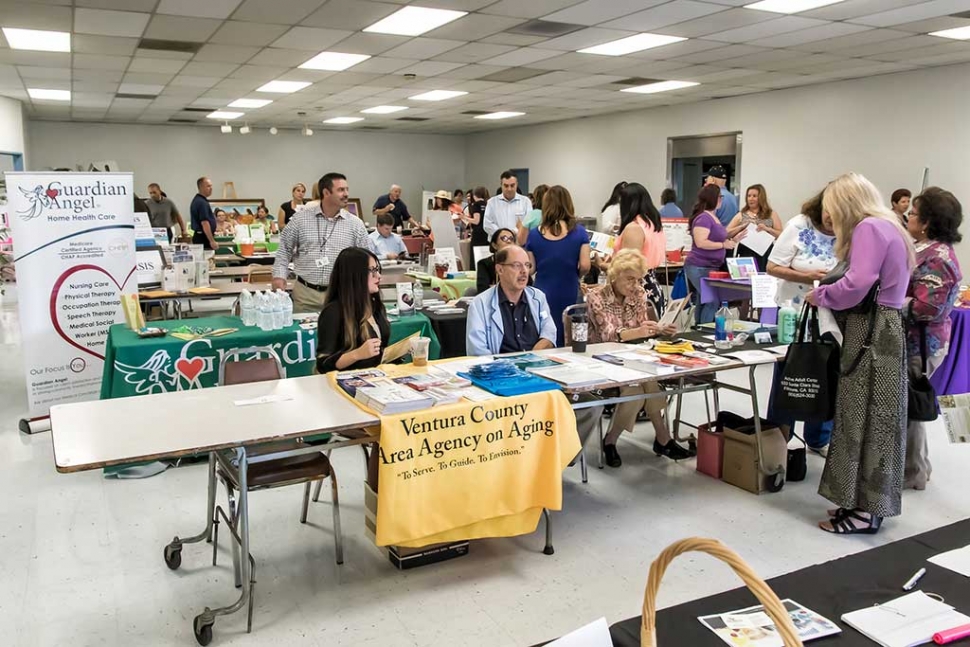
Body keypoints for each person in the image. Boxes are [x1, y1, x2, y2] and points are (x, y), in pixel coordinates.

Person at [806, 172, 915, 535]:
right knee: (880, 418)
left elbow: (857, 284)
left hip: (869, 329)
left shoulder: (868, 229)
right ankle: (868, 504)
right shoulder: (891, 226)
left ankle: (860, 509)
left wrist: (820, 294)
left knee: (858, 416)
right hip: (888, 328)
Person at [586, 249, 693, 465]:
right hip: (599, 358)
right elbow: (608, 334)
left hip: (634, 356)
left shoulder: (639, 293)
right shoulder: (596, 296)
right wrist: (640, 331)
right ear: (614, 275)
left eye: (638, 279)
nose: (634, 285)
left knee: (649, 382)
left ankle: (655, 439)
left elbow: (642, 325)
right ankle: (615, 440)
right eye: (629, 279)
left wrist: (658, 328)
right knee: (636, 389)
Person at [765, 189, 837, 454]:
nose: (834, 219)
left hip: (831, 316)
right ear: (821, 206)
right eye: (831, 211)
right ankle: (779, 437)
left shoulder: (848, 230)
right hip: (795, 314)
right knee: (791, 374)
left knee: (826, 375)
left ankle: (819, 437)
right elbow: (772, 267)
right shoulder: (798, 225)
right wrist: (809, 277)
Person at [902, 187, 963, 490]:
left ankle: (912, 472)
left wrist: (889, 301)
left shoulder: (937, 257)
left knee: (910, 407)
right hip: (916, 339)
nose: (908, 217)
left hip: (922, 342)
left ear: (926, 222)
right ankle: (918, 466)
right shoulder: (923, 248)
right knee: (908, 405)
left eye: (912, 213)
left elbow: (928, 306)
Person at [272, 172, 375, 313]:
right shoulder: (300, 219)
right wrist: (279, 277)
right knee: (304, 334)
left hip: (341, 295)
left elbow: (368, 258)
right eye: (341, 190)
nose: (346, 194)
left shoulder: (355, 224)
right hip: (306, 295)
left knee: (340, 334)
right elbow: (284, 250)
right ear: (326, 192)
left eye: (347, 189)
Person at [526, 185, 591, 347]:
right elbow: (585, 265)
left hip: (542, 292)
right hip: (569, 290)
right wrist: (576, 274)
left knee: (545, 337)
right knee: (571, 337)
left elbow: (531, 268)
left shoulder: (534, 234)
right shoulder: (580, 232)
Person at [466, 245, 556, 356]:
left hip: (536, 364)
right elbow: (477, 351)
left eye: (527, 265)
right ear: (500, 269)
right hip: (499, 370)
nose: (524, 271)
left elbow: (549, 333)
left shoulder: (538, 297)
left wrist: (532, 358)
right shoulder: (480, 304)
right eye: (517, 265)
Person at [315, 247, 389, 373]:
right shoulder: (333, 312)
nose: (378, 276)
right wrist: (357, 354)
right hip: (346, 383)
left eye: (377, 270)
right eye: (372, 271)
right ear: (355, 275)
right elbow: (323, 364)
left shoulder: (374, 305)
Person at [684, 184, 737, 325]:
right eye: (720, 197)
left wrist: (734, 238)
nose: (721, 200)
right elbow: (701, 242)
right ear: (714, 199)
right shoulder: (704, 218)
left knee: (705, 298)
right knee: (712, 299)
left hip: (710, 267)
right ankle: (704, 328)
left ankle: (699, 327)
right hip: (698, 266)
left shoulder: (713, 217)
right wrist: (723, 245)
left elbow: (719, 237)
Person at [612, 182, 667, 316]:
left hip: (636, 288)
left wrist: (604, 265)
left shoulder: (634, 228)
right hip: (652, 283)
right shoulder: (653, 224)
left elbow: (629, 266)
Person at [727, 184, 783, 270]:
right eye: (749, 196)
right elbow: (727, 233)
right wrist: (741, 227)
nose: (751, 199)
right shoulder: (741, 214)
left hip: (765, 251)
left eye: (754, 196)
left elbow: (781, 235)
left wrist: (767, 229)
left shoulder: (771, 214)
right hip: (746, 251)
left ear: (761, 198)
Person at [483, 170, 532, 237]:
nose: (509, 189)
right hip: (498, 243)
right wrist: (504, 234)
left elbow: (528, 223)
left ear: (517, 184)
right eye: (506, 186)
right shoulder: (492, 202)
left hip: (518, 242)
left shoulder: (526, 202)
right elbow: (487, 225)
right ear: (501, 185)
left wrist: (513, 232)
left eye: (512, 185)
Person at [476, 227, 519, 294]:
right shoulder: (484, 264)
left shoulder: (519, 263)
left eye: (511, 239)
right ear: (494, 245)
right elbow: (483, 290)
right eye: (504, 238)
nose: (509, 241)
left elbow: (526, 287)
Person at [190, 176, 218, 250]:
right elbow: (205, 223)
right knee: (207, 260)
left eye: (211, 186)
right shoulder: (201, 202)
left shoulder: (200, 200)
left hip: (201, 236)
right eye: (208, 186)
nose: (211, 188)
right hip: (203, 237)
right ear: (201, 187)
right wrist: (212, 241)